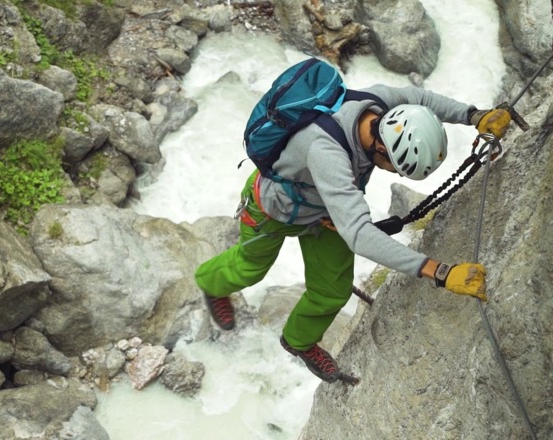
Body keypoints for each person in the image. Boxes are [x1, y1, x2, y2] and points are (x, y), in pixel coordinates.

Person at [195, 83, 512, 383]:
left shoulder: (380, 105)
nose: (391, 173)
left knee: (333, 290)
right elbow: (358, 234)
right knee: (250, 268)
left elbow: (424, 101)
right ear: (380, 147)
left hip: (327, 212)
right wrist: (439, 272)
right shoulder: (326, 151)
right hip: (273, 210)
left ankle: (299, 341)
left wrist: (475, 116)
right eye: (394, 167)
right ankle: (211, 283)